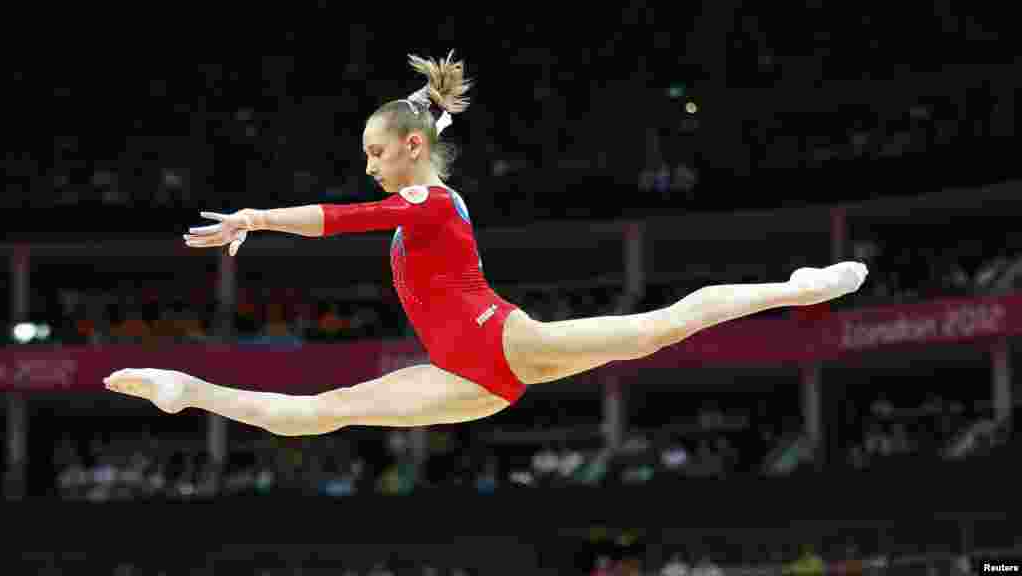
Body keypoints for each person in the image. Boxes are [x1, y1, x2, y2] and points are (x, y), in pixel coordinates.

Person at [104, 50, 868, 436]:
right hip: (464, 377)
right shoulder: (417, 198)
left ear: (410, 147)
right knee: (321, 412)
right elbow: (365, 202)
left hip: (499, 342)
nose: (368, 165)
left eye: (375, 152)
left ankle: (796, 287)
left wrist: (257, 217)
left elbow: (340, 219)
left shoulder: (428, 201)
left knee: (656, 329)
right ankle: (187, 390)